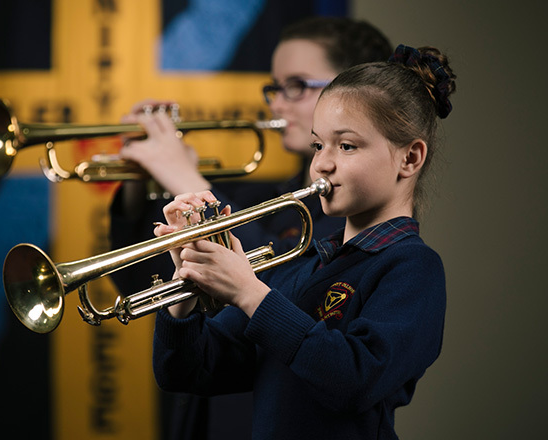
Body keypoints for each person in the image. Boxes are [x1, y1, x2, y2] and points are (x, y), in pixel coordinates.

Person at [108, 16, 393, 440]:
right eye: (275, 88)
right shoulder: (274, 198)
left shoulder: (357, 219)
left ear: (353, 89)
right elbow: (138, 283)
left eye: (295, 85)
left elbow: (282, 280)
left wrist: (186, 177)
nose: (277, 103)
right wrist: (141, 183)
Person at [151, 44, 455, 439]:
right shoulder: (306, 264)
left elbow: (353, 380)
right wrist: (185, 287)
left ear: (410, 159)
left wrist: (249, 292)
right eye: (317, 145)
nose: (322, 163)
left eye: (346, 145)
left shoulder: (412, 268)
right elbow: (189, 371)